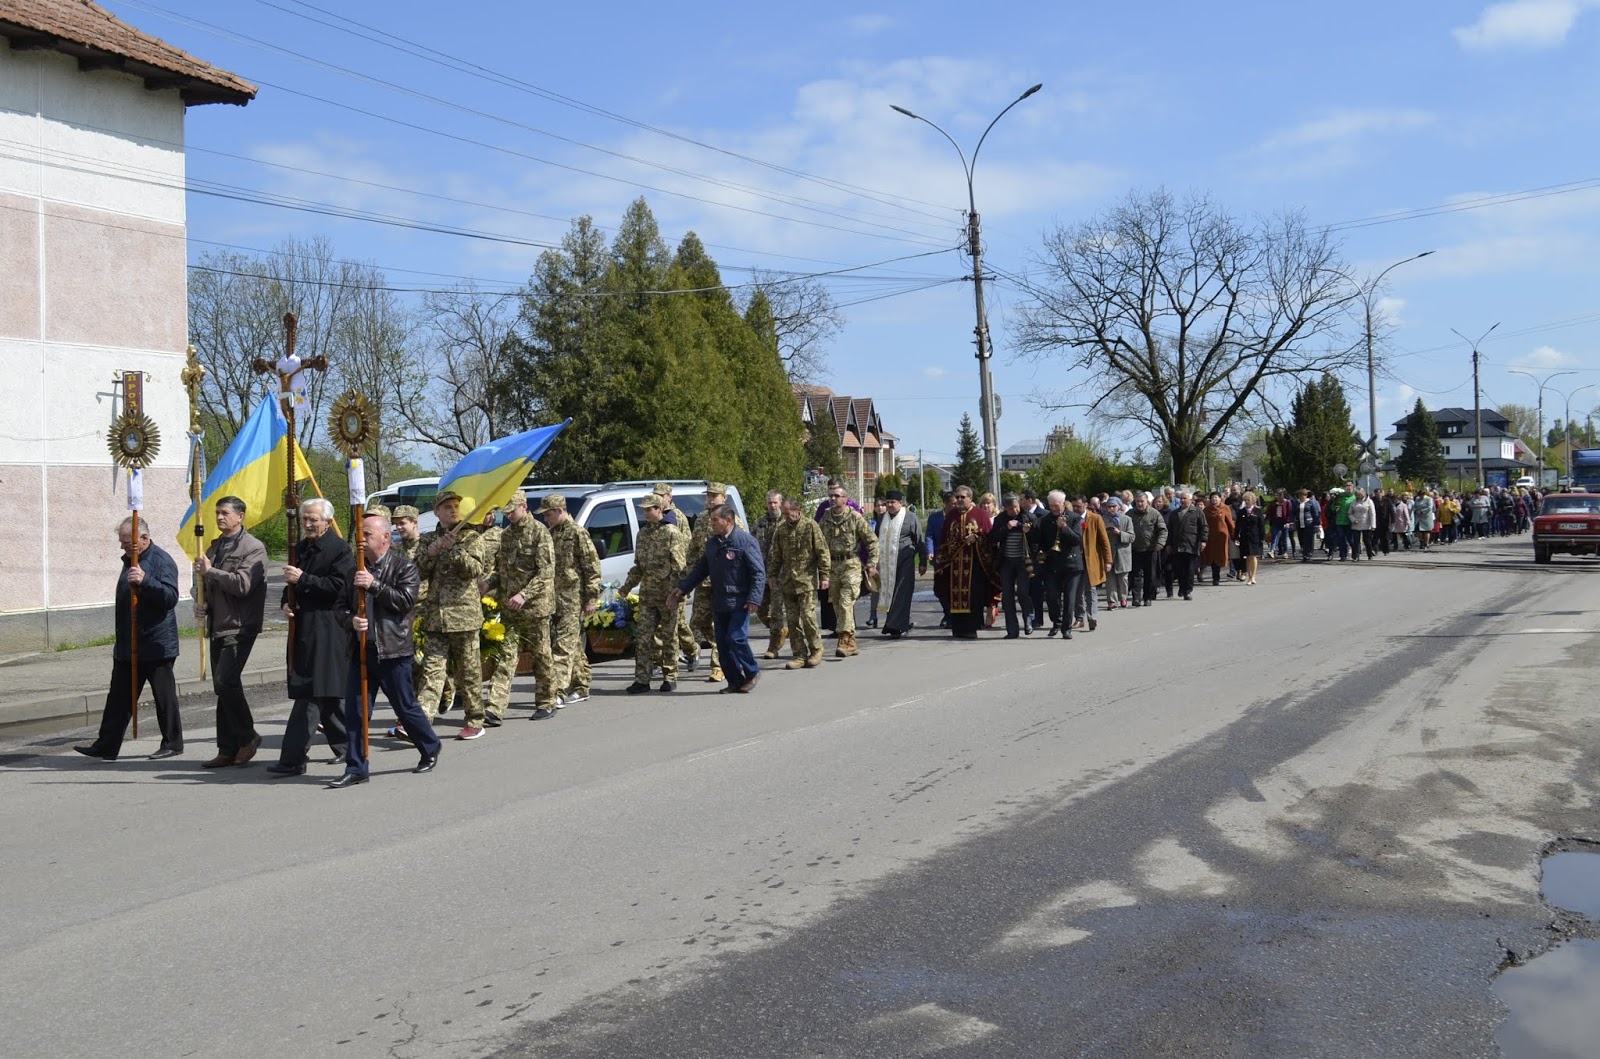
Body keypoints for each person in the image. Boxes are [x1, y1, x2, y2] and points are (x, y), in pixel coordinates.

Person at [327, 512, 441, 788]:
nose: (361, 540)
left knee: (405, 707)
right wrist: (351, 620)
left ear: (385, 537)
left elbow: (405, 601)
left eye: (367, 534)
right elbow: (339, 607)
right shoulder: (354, 571)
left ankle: (430, 745)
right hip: (361, 651)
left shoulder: (404, 568)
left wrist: (374, 585)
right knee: (356, 712)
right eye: (359, 535)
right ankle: (356, 767)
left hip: (392, 651)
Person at [75, 517, 183, 762]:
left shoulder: (161, 561)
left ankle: (172, 743)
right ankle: (106, 745)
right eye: (122, 541)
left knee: (164, 697)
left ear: (144, 539)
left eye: (127, 542)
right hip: (129, 643)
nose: (123, 546)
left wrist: (146, 581)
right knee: (119, 698)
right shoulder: (130, 560)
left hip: (156, 644)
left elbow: (170, 597)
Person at [266, 498, 354, 776]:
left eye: (313, 519)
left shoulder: (340, 550)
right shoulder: (300, 548)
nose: (307, 524)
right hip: (305, 629)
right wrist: (286, 602)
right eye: (305, 519)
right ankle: (350, 748)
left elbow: (339, 588)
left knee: (311, 694)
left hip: (328, 629)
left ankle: (293, 759)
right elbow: (290, 585)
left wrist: (303, 579)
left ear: (327, 521)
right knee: (328, 695)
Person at [194, 495, 267, 768]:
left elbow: (243, 585)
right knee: (222, 687)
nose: (219, 517)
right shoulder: (213, 547)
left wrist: (211, 571)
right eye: (217, 513)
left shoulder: (253, 548)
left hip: (240, 625)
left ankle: (248, 736)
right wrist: (199, 601)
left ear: (240, 516)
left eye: (225, 512)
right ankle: (227, 748)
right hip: (217, 624)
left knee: (226, 680)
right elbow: (202, 584)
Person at [415, 490, 492, 739]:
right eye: (447, 506)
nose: (453, 510)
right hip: (436, 617)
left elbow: (475, 570)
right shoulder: (428, 539)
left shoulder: (472, 537)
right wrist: (432, 553)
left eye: (456, 506)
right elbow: (417, 571)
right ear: (436, 512)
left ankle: (475, 720)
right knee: (432, 671)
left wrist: (454, 550)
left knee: (468, 673)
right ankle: (421, 722)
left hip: (463, 616)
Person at [669, 503, 766, 694]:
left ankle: (752, 672)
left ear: (728, 520)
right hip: (720, 601)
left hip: (740, 601)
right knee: (722, 643)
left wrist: (754, 598)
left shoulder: (744, 541)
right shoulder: (713, 544)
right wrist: (683, 588)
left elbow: (758, 573)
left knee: (736, 638)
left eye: (715, 520)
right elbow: (701, 569)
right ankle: (735, 681)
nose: (711, 523)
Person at [481, 491, 556, 722]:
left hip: (535, 608)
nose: (509, 515)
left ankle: (547, 702)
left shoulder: (539, 532)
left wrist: (524, 594)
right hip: (511, 609)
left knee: (541, 656)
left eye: (512, 511)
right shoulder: (506, 535)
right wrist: (488, 583)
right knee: (506, 656)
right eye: (506, 512)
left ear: (524, 506)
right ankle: (495, 708)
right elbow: (501, 571)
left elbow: (546, 572)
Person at [621, 494, 687, 693]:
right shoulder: (643, 534)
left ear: (660, 509)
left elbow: (679, 567)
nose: (646, 513)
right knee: (643, 638)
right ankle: (642, 679)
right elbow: (638, 567)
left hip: (668, 595)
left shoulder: (672, 532)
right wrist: (625, 588)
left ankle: (670, 676)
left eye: (649, 509)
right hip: (648, 595)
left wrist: (677, 594)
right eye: (644, 510)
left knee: (669, 637)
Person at [541, 494, 602, 707]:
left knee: (562, 646)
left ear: (559, 510)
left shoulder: (578, 533)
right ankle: (581, 685)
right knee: (572, 644)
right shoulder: (551, 534)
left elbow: (592, 568)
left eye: (548, 514)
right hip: (554, 599)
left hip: (573, 599)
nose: (546, 519)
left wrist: (591, 599)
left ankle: (557, 692)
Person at [687, 483, 744, 682]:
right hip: (704, 581)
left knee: (720, 623)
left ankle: (719, 665)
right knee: (699, 622)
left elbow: (740, 552)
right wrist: (689, 577)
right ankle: (720, 646)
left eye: (715, 496)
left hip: (723, 583)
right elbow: (694, 549)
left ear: (724, 498)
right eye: (709, 495)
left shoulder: (733, 521)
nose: (710, 499)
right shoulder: (703, 519)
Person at [768, 495, 830, 668]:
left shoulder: (810, 526)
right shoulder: (781, 530)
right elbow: (776, 556)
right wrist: (772, 576)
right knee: (793, 620)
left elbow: (822, 551)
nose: (786, 516)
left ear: (797, 510)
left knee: (808, 616)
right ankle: (799, 654)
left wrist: (825, 575)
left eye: (788, 513)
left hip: (807, 581)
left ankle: (816, 649)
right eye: (784, 514)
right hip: (788, 582)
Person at [819, 481, 879, 658]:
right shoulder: (825, 517)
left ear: (845, 499)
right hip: (832, 566)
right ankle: (851, 641)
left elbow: (872, 541)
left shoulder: (855, 517)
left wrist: (871, 564)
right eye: (831, 496)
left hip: (851, 565)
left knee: (846, 602)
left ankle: (844, 639)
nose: (833, 499)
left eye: (837, 496)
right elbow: (819, 542)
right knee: (837, 605)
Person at [934, 486, 997, 639]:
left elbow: (990, 538)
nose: (960, 500)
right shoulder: (951, 516)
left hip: (975, 565)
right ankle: (958, 629)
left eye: (963, 497)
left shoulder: (980, 515)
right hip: (954, 566)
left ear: (970, 498)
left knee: (974, 597)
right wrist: (941, 561)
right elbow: (944, 540)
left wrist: (977, 538)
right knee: (954, 596)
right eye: (958, 497)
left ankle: (972, 628)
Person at [654, 482, 699, 667]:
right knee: (659, 623)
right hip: (658, 579)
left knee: (677, 622)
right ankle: (658, 662)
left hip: (675, 577)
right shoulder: (655, 516)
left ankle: (692, 650)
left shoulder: (678, 517)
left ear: (669, 496)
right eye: (655, 495)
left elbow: (687, 547)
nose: (658, 498)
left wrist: (684, 581)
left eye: (661, 495)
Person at [1031, 490, 1081, 638]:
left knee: (1069, 599)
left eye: (1056, 505)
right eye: (1051, 505)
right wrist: (1029, 533)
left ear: (1064, 504)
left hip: (1071, 564)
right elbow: (1037, 540)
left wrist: (1064, 528)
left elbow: (1077, 540)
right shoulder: (1044, 520)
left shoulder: (1074, 518)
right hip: (1052, 564)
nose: (1053, 508)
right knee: (1052, 597)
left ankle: (1066, 628)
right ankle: (1056, 622)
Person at [876, 490, 924, 638]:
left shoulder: (910, 517)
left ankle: (896, 626)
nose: (890, 505)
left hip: (905, 561)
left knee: (902, 592)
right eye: (887, 502)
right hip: (886, 563)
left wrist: (923, 562)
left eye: (893, 502)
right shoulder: (882, 518)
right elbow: (876, 539)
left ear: (901, 503)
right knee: (890, 592)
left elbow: (919, 540)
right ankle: (894, 623)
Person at [989, 494, 1034, 638]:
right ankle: (1012, 630)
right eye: (1010, 509)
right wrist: (1007, 528)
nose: (1014, 510)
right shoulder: (1000, 519)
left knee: (1022, 592)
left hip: (1023, 561)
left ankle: (1028, 618)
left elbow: (1037, 537)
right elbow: (992, 538)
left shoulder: (1027, 516)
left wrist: (1028, 531)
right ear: (1005, 509)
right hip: (1006, 562)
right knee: (1007, 597)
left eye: (1016, 507)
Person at [751, 490, 788, 660]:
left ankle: (773, 646)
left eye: (775, 502)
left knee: (777, 611)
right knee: (760, 609)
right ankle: (780, 630)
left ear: (780, 503)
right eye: (770, 503)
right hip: (761, 573)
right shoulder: (759, 523)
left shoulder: (786, 522)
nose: (772, 506)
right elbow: (751, 544)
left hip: (780, 574)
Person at [1075, 495, 1113, 630]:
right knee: (1077, 591)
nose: (1076, 509)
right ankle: (1079, 618)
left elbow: (1104, 541)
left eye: (1079, 506)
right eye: (1074, 506)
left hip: (1091, 560)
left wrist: (1108, 560)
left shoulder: (1095, 518)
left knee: (1090, 590)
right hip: (1075, 561)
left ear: (1086, 505)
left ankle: (1092, 617)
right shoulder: (1071, 518)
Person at [1166, 490, 1207, 600]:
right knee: (1179, 569)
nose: (1183, 500)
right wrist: (1169, 544)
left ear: (1190, 500)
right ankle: (1182, 587)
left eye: (1185, 498)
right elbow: (1170, 530)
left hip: (1191, 545)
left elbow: (1204, 527)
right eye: (1181, 498)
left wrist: (1203, 540)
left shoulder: (1197, 512)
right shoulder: (1174, 513)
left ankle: (1187, 590)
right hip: (1177, 545)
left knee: (1189, 569)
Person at [1127, 491, 1167, 606]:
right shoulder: (1129, 514)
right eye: (1137, 502)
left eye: (1142, 501)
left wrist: (1160, 543)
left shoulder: (1154, 513)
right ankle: (1136, 598)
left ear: (1147, 502)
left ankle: (1147, 597)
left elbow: (1163, 530)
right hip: (1135, 549)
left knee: (1150, 575)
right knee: (1136, 575)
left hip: (1151, 549)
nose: (1140, 504)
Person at [926, 491, 955, 629]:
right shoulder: (935, 518)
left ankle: (952, 616)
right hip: (940, 558)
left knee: (953, 588)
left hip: (956, 558)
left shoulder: (959, 516)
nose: (955, 506)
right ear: (945, 504)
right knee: (940, 588)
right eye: (952, 504)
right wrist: (930, 551)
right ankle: (947, 612)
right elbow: (929, 535)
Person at [1103, 496, 1133, 608]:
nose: (1111, 509)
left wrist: (1120, 533)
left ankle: (1123, 597)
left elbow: (1132, 537)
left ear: (1119, 506)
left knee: (1123, 578)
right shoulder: (1103, 519)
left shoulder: (1126, 519)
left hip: (1123, 553)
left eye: (1114, 506)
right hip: (1109, 552)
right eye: (1109, 507)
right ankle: (1112, 601)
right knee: (1110, 579)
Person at [1201, 492, 1234, 586]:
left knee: (1220, 556)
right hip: (1210, 537)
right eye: (1212, 497)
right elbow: (1203, 523)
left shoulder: (1225, 508)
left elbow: (1230, 522)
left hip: (1221, 537)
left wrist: (1233, 534)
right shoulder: (1206, 510)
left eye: (1216, 497)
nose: (1214, 499)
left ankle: (1217, 577)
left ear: (1220, 498)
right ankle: (1215, 577)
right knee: (1212, 557)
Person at [1235, 491, 1266, 586]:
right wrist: (1236, 536)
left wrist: (1262, 537)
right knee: (1247, 557)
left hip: (1255, 537)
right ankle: (1249, 576)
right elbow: (1238, 525)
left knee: (1253, 556)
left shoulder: (1258, 511)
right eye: (1245, 500)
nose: (1247, 502)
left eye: (1248, 500)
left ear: (1253, 500)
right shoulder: (1241, 511)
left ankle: (1253, 576)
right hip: (1244, 537)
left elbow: (1261, 525)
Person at [865, 497, 888, 629]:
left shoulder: (890, 522)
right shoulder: (871, 523)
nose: (880, 508)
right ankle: (873, 615)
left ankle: (890, 616)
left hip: (888, 558)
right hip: (875, 560)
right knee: (875, 588)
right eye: (878, 505)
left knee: (889, 588)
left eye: (883, 505)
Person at [1347, 488, 1376, 562]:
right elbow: (1350, 513)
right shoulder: (1354, 502)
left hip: (1366, 524)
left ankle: (1369, 554)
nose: (1358, 496)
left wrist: (1373, 525)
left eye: (1360, 494)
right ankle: (1356, 556)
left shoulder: (1369, 501)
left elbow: (1372, 514)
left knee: (1367, 541)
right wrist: (1353, 520)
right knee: (1356, 541)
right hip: (1356, 524)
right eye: (1357, 495)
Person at [1296, 489, 1321, 562]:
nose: (1301, 497)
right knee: (1301, 539)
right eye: (1300, 495)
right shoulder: (1296, 503)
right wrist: (1292, 521)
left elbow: (1315, 513)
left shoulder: (1311, 502)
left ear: (1306, 495)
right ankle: (1305, 552)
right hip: (1299, 524)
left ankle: (1307, 554)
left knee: (1308, 539)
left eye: (1302, 495)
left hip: (1309, 524)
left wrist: (1317, 524)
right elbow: (1293, 512)